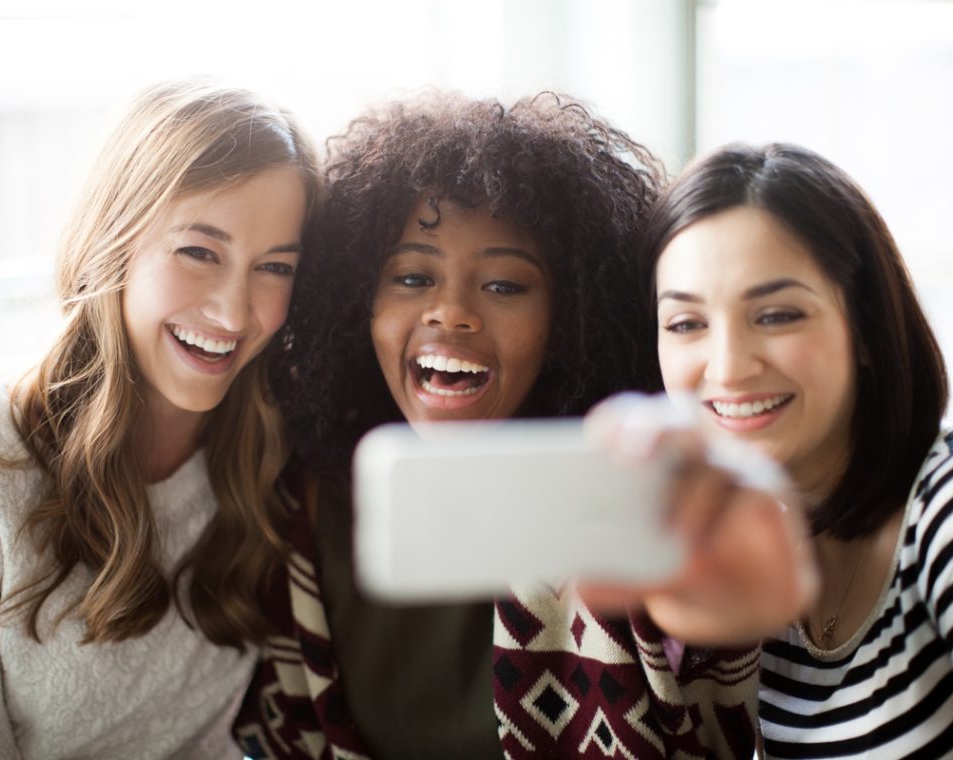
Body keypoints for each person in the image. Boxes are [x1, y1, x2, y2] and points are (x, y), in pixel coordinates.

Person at [233, 93, 813, 759]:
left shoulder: (626, 497)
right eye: (413, 277)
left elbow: (717, 681)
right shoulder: (299, 498)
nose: (450, 313)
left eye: (505, 286)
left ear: (570, 321)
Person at [0, 78, 319, 760]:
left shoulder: (272, 448)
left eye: (273, 267)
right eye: (199, 252)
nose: (235, 314)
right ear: (114, 240)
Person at [633, 142, 953, 758]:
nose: (730, 367)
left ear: (866, 328)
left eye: (777, 315)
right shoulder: (744, 556)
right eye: (686, 324)